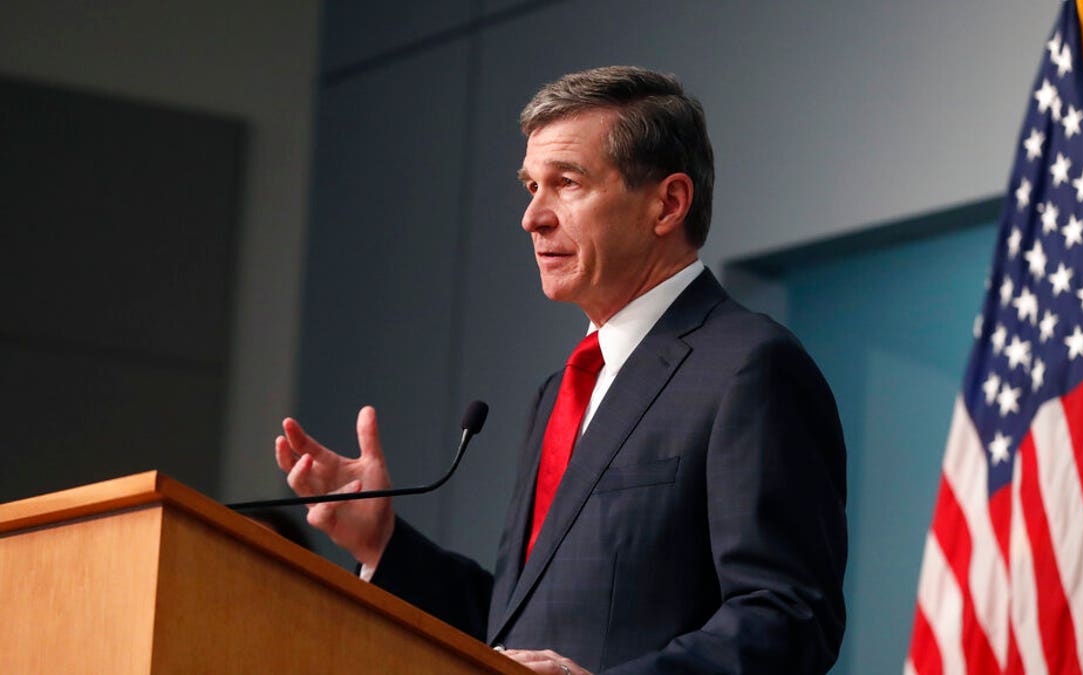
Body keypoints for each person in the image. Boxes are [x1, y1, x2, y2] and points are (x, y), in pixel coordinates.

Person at [274, 66, 847, 674]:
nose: (533, 218)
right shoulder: (561, 391)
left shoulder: (748, 368)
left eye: (567, 183)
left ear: (668, 204)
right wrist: (383, 543)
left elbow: (788, 618)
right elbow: (518, 630)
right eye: (530, 187)